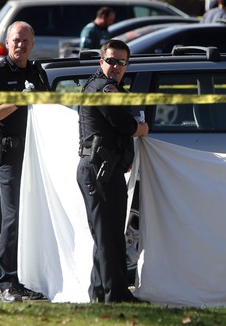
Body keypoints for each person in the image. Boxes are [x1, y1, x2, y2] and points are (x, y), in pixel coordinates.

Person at [0, 21, 51, 302]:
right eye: (16, 40)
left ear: (32, 44)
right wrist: (17, 102)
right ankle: (8, 282)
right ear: (7, 43)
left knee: (36, 215)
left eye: (26, 41)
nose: (21, 45)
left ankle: (31, 278)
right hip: (9, 156)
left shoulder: (37, 72)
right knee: (13, 217)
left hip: (37, 154)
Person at [77, 39, 148, 303]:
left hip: (102, 169)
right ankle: (115, 296)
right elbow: (125, 125)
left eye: (121, 62)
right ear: (101, 61)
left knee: (105, 235)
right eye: (111, 61)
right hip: (100, 170)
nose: (116, 66)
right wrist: (142, 129)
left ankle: (99, 293)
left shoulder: (107, 87)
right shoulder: (104, 88)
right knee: (110, 238)